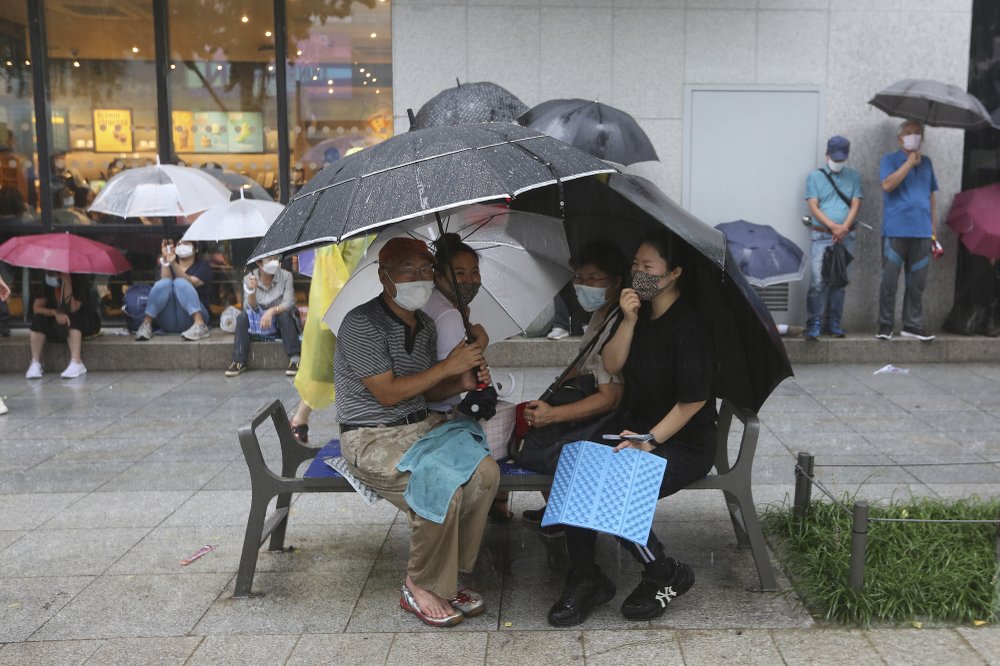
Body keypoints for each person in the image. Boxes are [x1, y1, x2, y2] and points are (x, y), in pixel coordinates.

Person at [547, 227, 716, 628]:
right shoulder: (640, 315)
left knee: (616, 486)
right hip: (636, 431)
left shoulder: (689, 327)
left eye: (647, 266)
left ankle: (663, 572)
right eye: (635, 264)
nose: (638, 272)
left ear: (673, 273)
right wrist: (628, 318)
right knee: (577, 466)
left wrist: (650, 441)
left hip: (682, 440)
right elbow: (612, 365)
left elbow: (693, 402)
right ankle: (587, 576)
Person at [334, 237, 498, 627]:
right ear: (384, 275)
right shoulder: (361, 323)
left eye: (426, 270)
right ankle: (419, 584)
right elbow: (388, 393)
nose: (420, 278)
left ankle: (446, 578)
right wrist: (449, 366)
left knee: (485, 474)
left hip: (421, 426)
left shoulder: (424, 325)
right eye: (409, 270)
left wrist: (464, 381)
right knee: (441, 484)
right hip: (371, 437)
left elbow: (426, 389)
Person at [518, 240, 629, 531]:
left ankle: (567, 514)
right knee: (532, 421)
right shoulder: (600, 314)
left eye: (593, 278)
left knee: (545, 438)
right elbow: (584, 364)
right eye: (579, 278)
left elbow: (610, 399)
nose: (583, 285)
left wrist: (552, 415)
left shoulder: (620, 323)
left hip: (610, 419)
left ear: (617, 282)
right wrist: (553, 390)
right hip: (588, 396)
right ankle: (558, 507)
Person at [423, 233, 506, 518]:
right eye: (459, 274)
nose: (470, 280)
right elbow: (445, 379)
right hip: (437, 415)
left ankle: (497, 502)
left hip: (433, 409)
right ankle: (491, 503)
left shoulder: (435, 305)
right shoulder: (447, 316)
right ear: (439, 276)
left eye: (474, 272)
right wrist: (479, 343)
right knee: (499, 437)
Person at [877, 120, 939, 341]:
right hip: (895, 230)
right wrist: (909, 164)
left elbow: (931, 197)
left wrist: (933, 228)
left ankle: (912, 325)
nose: (914, 137)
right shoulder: (890, 160)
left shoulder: (928, 163)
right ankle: (885, 325)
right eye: (909, 133)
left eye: (918, 133)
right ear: (900, 137)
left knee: (917, 283)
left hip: (922, 232)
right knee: (889, 281)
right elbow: (887, 185)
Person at [803, 135, 862, 339]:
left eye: (841, 159)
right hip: (822, 235)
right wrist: (833, 227)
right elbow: (813, 206)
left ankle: (834, 322)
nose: (837, 162)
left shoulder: (854, 177)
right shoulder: (815, 177)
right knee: (818, 281)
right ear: (827, 154)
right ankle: (814, 322)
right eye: (834, 158)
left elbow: (855, 204)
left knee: (840, 280)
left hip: (846, 236)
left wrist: (843, 227)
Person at [225, 254, 301, 377]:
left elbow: (289, 303)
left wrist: (271, 311)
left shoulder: (286, 276)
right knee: (242, 317)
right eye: (269, 259)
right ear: (259, 263)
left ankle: (295, 359)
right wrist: (251, 291)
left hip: (280, 318)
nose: (274, 262)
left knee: (285, 316)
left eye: (276, 258)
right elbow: (250, 307)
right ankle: (238, 361)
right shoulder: (249, 278)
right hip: (258, 321)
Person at [25, 271, 101, 379]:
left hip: (83, 320)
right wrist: (54, 313)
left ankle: (77, 362)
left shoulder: (78, 279)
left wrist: (67, 283)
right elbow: (37, 308)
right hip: (55, 320)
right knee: (38, 320)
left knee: (73, 318)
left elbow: (73, 308)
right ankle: (35, 362)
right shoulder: (47, 280)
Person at [135, 239, 212, 341]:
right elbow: (163, 285)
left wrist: (174, 264)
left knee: (180, 282)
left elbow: (191, 282)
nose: (182, 246)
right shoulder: (169, 265)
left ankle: (200, 325)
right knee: (164, 283)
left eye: (186, 243)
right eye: (179, 244)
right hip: (169, 320)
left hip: (191, 318)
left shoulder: (203, 266)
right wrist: (166, 260)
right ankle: (146, 324)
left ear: (196, 248)